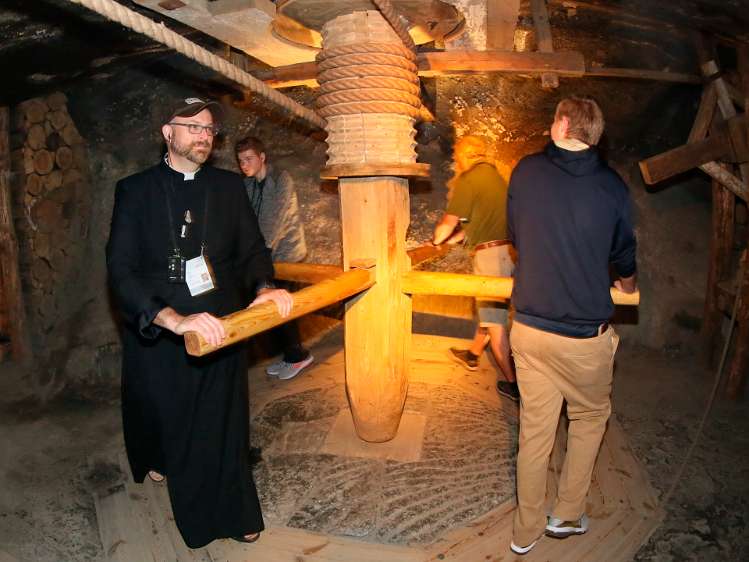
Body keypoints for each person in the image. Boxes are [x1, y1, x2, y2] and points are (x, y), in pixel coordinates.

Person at [106, 97, 293, 548]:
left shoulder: (229, 188)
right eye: (191, 127)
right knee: (167, 418)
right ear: (167, 134)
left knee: (223, 424)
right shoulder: (135, 190)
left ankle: (230, 512)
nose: (203, 135)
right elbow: (121, 270)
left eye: (209, 128)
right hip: (163, 327)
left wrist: (264, 286)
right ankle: (162, 464)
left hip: (222, 325)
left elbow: (251, 249)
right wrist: (172, 319)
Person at [506, 96, 637, 555]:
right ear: (594, 134)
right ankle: (565, 516)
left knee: (535, 430)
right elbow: (623, 256)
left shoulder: (525, 171)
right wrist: (627, 282)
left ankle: (524, 533)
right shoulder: (613, 189)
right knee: (587, 418)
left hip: (529, 329)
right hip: (582, 336)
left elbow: (517, 235)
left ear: (561, 125)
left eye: (551, 119)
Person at [431, 135, 518, 401]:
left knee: (495, 322)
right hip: (507, 252)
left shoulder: (470, 180)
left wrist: (436, 240)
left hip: (491, 256)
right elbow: (476, 224)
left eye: (457, 156)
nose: (457, 162)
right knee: (490, 309)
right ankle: (473, 354)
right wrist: (457, 238)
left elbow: (449, 222)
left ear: (468, 153)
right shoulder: (496, 179)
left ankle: (514, 385)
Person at [235, 135, 314, 380]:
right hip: (264, 255)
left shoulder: (281, 180)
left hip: (286, 255)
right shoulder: (247, 185)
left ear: (262, 157)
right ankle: (289, 355)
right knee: (273, 310)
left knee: (284, 310)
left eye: (248, 159)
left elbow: (274, 224)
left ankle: (298, 357)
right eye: (240, 161)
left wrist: (251, 256)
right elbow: (245, 221)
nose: (244, 165)